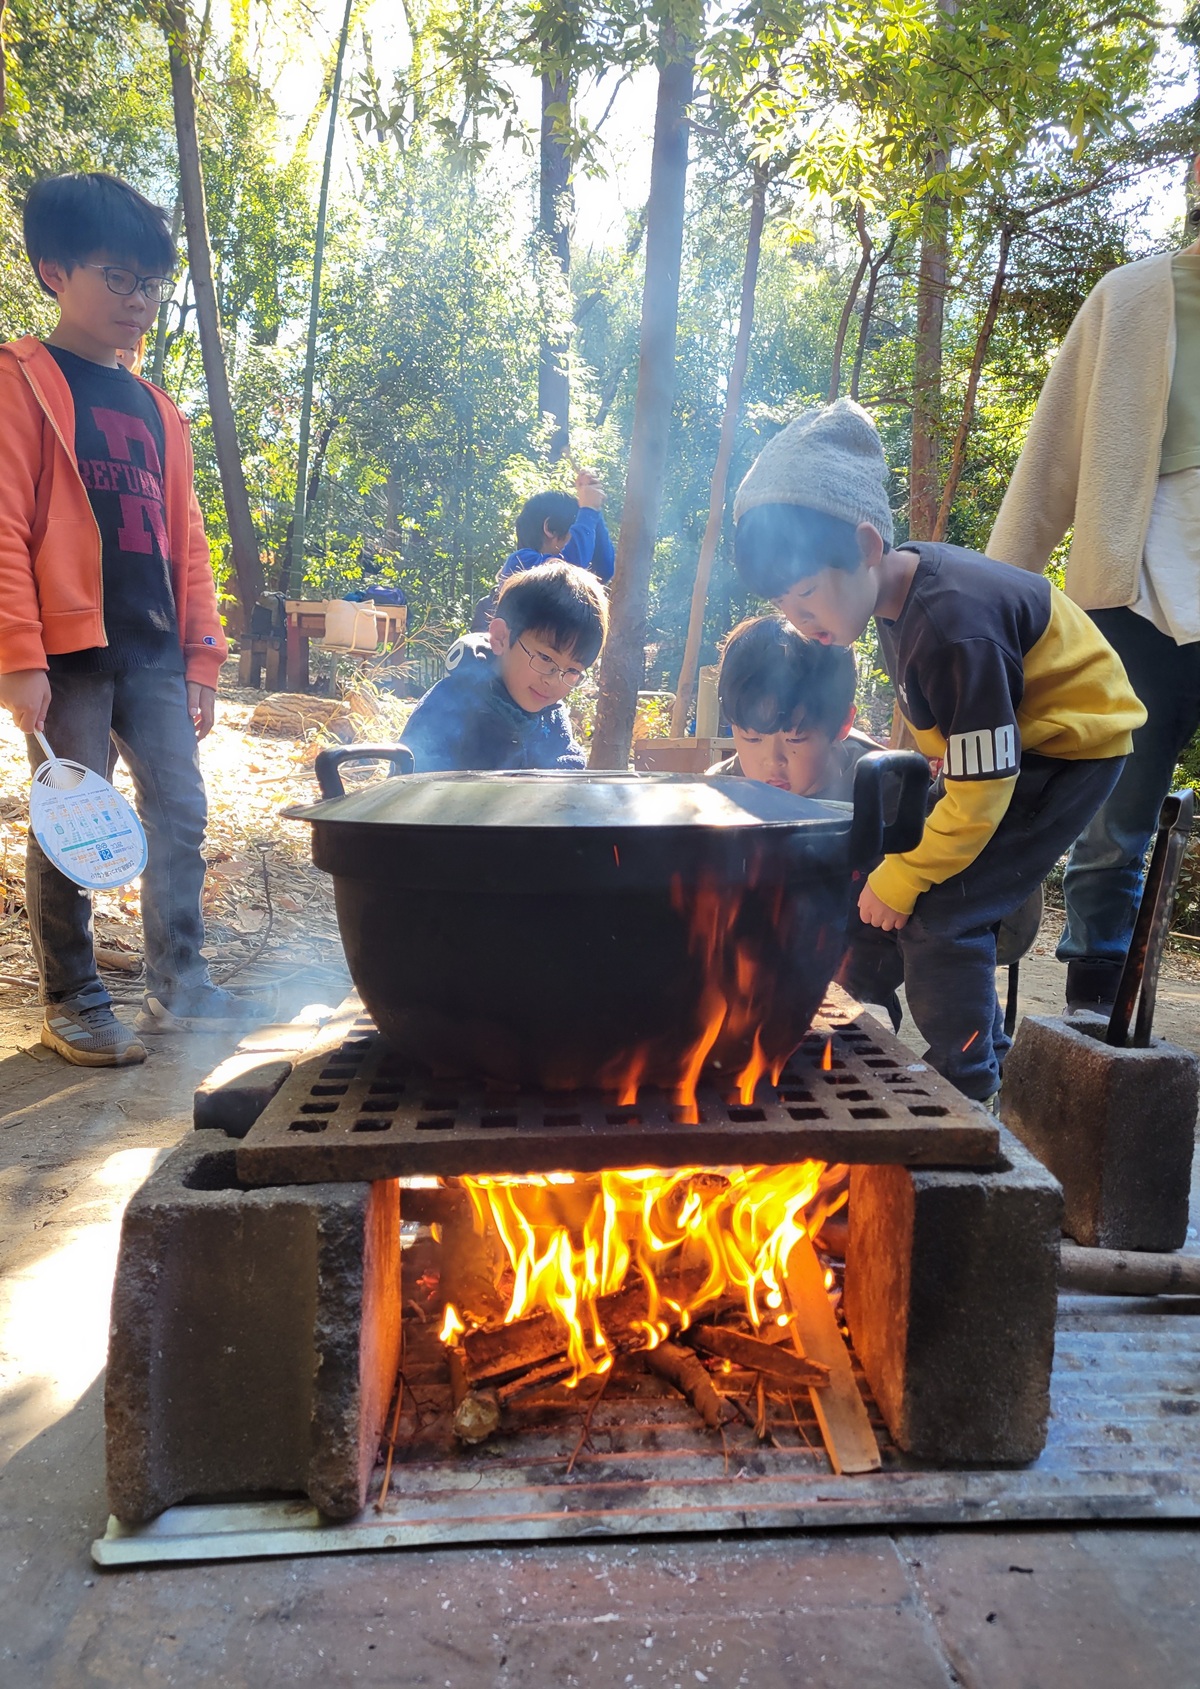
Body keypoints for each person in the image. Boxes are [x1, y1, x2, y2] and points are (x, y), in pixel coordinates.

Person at [731, 398, 1145, 1102]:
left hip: (1068, 750)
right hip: (1007, 753)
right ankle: (858, 1012)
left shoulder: (953, 624)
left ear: (866, 547)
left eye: (806, 595)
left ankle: (970, 1086)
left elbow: (982, 791)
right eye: (784, 607)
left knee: (944, 910)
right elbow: (948, 727)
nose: (799, 622)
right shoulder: (894, 598)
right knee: (886, 874)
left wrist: (909, 872)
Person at [0, 171, 266, 1066]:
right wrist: (18, 654)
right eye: (117, 276)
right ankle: (73, 999)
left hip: (155, 653)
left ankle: (179, 983)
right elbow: (4, 524)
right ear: (54, 270)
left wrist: (203, 657)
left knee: (181, 810)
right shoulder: (22, 382)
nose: (139, 298)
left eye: (151, 281)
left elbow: (187, 542)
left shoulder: (159, 411)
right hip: (69, 653)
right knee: (72, 821)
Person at [989, 156, 1200, 1016]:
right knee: (1115, 823)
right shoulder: (1131, 299)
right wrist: (996, 610)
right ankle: (1089, 1023)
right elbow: (1049, 466)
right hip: (1137, 598)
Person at [402, 562, 607, 772]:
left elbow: (569, 765)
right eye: (545, 658)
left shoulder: (552, 718)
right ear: (500, 637)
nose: (553, 681)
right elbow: (412, 779)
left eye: (572, 671)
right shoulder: (450, 705)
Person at [706, 613, 879, 800]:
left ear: (843, 723)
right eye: (752, 739)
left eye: (795, 739)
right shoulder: (721, 792)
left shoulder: (881, 793)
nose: (773, 761)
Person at [470, 469, 614, 632]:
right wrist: (588, 511)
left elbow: (604, 570)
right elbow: (565, 573)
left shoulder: (572, 564)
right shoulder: (520, 563)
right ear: (550, 528)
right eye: (577, 528)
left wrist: (595, 511)